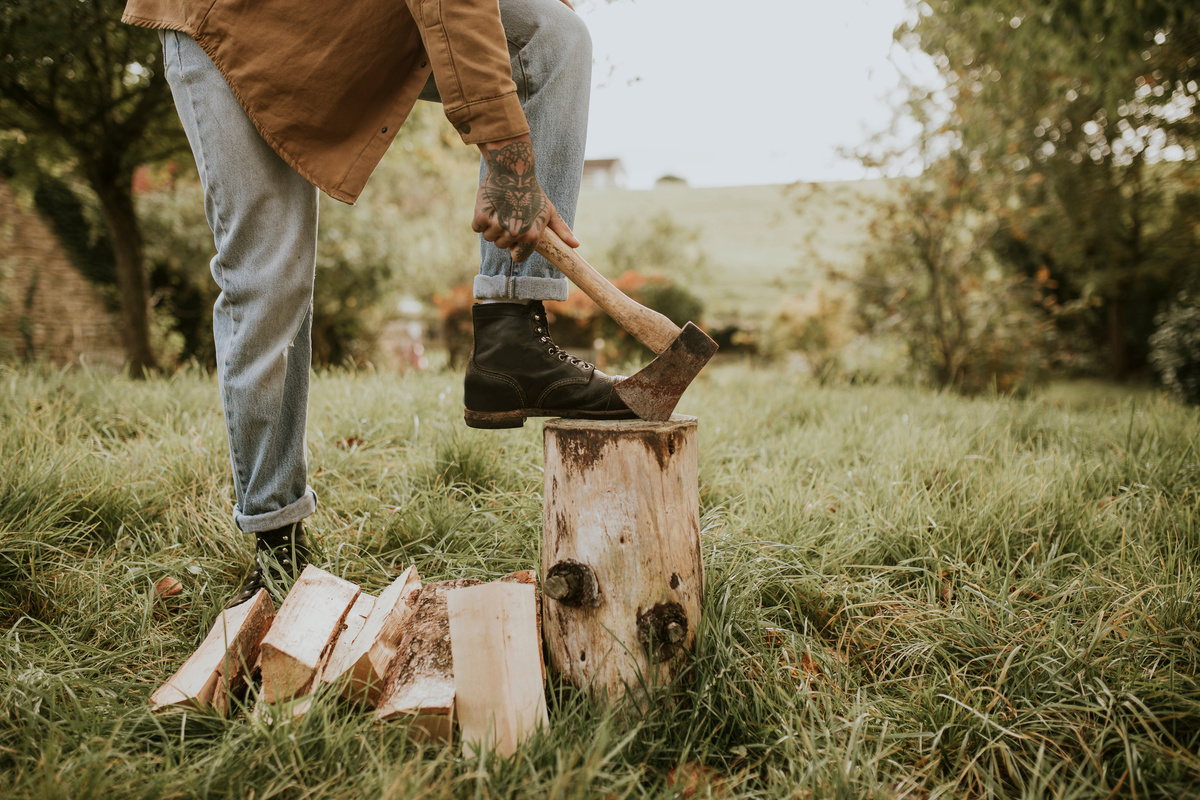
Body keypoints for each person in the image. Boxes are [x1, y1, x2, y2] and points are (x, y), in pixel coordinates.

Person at [121, 0, 634, 607]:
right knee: (269, 279)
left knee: (554, 35)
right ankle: (276, 542)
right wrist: (508, 155)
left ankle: (511, 335)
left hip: (350, 17)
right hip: (231, 24)